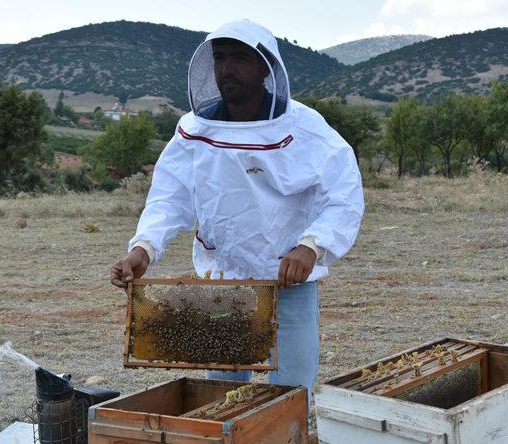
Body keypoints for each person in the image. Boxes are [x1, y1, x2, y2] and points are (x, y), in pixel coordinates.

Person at [110, 19, 364, 398]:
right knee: (222, 400)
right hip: (223, 282)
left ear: (265, 67)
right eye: (220, 58)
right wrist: (143, 249)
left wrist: (311, 246)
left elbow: (344, 194)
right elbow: (169, 196)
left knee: (290, 397)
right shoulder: (195, 130)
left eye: (240, 59)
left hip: (287, 281)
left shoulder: (305, 128)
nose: (226, 69)